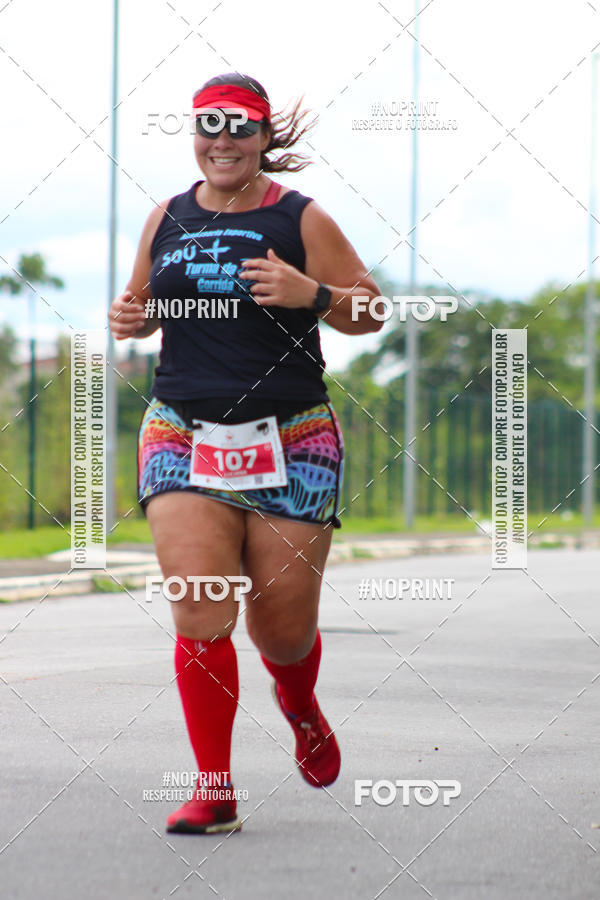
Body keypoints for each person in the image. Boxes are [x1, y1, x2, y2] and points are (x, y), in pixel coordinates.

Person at [109, 72, 382, 834]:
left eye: (240, 127)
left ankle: (298, 704)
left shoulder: (302, 218)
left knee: (281, 631)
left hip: (293, 438)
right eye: (209, 125)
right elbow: (139, 306)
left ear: (264, 138)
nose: (222, 140)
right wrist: (129, 320)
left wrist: (311, 294)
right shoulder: (167, 215)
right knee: (198, 604)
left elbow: (372, 310)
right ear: (195, 134)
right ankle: (215, 788)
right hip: (182, 431)